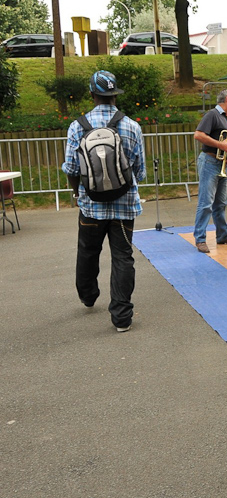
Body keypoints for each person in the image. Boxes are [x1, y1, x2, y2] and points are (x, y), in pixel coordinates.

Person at [62, 70, 146, 333]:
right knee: (123, 257)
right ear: (114, 95)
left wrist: (78, 195)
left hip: (91, 206)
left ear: (92, 95)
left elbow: (71, 169)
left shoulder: (77, 126)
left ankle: (88, 295)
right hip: (124, 207)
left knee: (88, 252)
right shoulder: (132, 126)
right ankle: (122, 317)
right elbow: (140, 171)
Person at [192, 88, 227, 253]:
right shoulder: (212, 115)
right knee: (206, 202)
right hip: (210, 161)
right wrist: (219, 144)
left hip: (223, 164)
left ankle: (222, 235)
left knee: (221, 203)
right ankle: (200, 239)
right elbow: (198, 135)